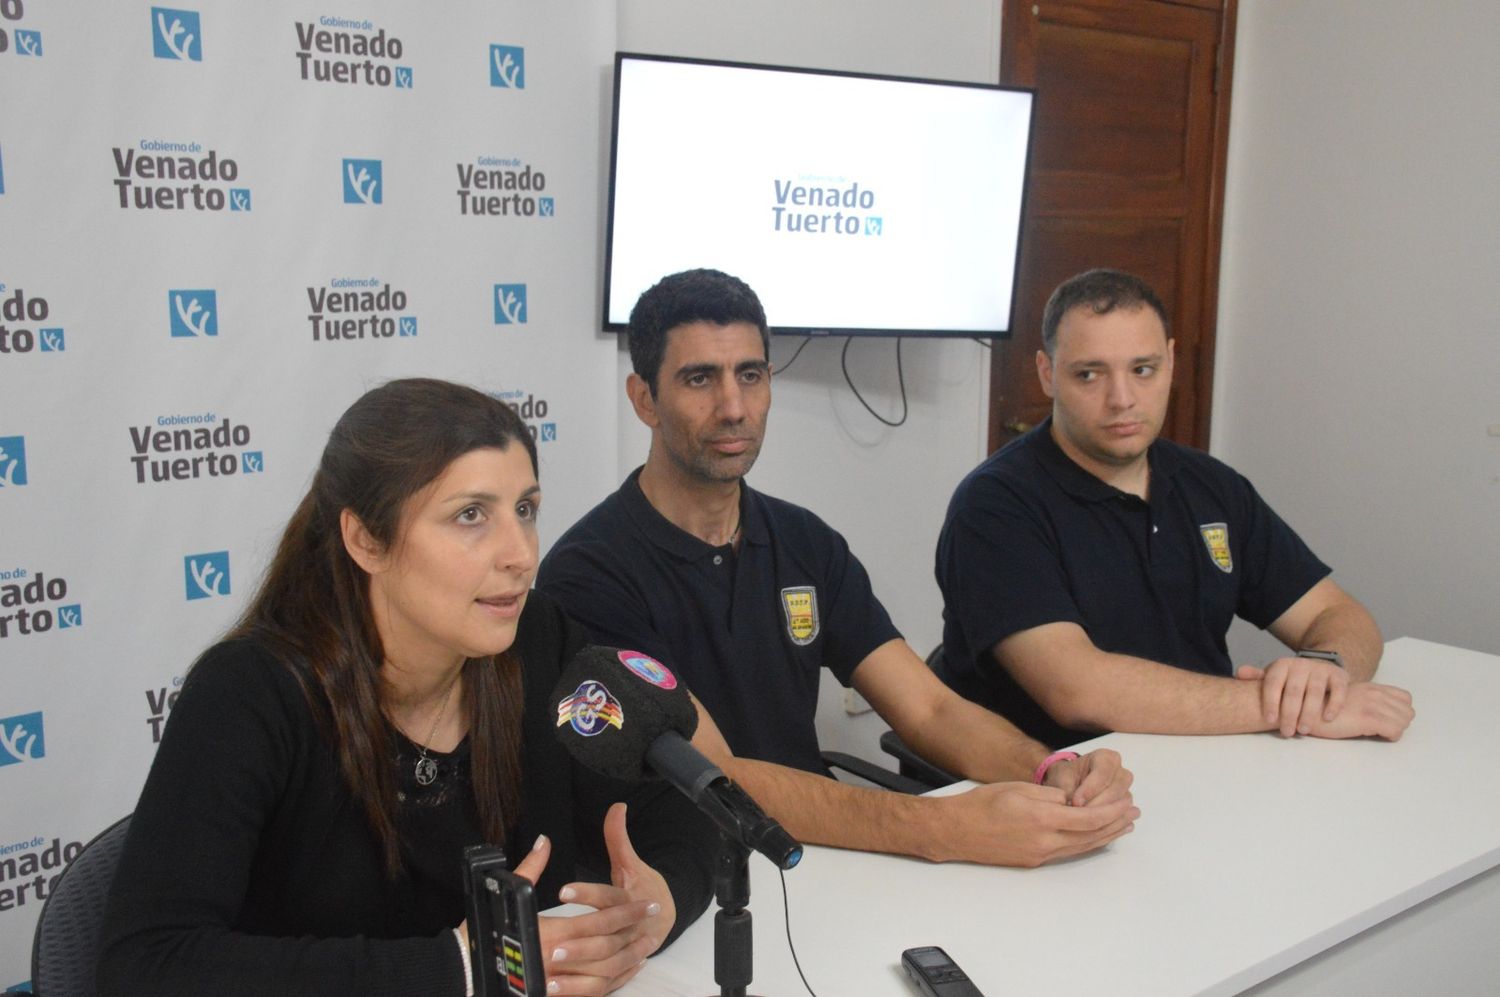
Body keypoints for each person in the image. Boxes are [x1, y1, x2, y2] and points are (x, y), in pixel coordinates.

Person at [99, 379, 714, 997]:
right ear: (366, 539)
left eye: (524, 509)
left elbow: (672, 807)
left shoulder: (537, 641)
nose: (521, 554)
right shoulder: (250, 694)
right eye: (471, 515)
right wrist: (462, 969)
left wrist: (656, 907)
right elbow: (147, 964)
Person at [538, 269, 1137, 870]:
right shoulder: (588, 575)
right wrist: (939, 826)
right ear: (645, 399)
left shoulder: (806, 542)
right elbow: (717, 775)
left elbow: (928, 708)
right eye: (700, 379)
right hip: (681, 884)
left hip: (825, 859)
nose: (733, 407)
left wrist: (1049, 769)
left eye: (751, 375)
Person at [935, 268, 1415, 749]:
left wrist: (1324, 674)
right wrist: (1285, 707)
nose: (1122, 399)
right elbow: (1078, 690)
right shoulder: (995, 506)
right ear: (1047, 374)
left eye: (1142, 370)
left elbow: (1336, 612)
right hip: (1052, 788)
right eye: (1089, 374)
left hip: (1202, 764)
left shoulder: (1211, 485)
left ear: (1170, 361)